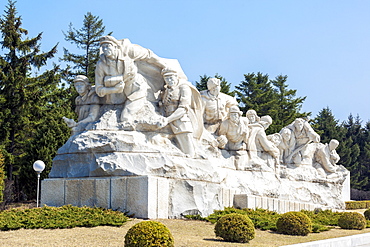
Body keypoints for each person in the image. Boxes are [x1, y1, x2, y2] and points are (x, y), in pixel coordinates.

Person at [95, 36, 167, 122]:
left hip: (136, 90)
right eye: (103, 47)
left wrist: (165, 66)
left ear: (115, 46)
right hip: (116, 97)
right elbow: (99, 90)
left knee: (125, 118)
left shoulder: (129, 52)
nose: (105, 49)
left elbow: (148, 55)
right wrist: (113, 89)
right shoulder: (101, 64)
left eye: (108, 46)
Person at [158, 68, 202, 157]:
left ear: (176, 77)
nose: (169, 81)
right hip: (168, 123)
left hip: (182, 123)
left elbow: (183, 108)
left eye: (171, 78)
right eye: (166, 78)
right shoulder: (167, 90)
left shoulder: (184, 88)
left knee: (189, 154)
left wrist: (167, 119)